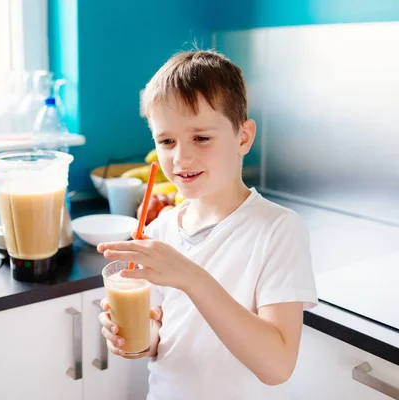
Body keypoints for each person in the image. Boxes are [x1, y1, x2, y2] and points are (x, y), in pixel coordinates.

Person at [97, 49, 318, 399]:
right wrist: (134, 338)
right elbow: (162, 337)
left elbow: (277, 366)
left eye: (200, 137)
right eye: (166, 141)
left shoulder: (278, 230)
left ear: (243, 137)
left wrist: (189, 276)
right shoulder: (161, 229)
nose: (181, 157)